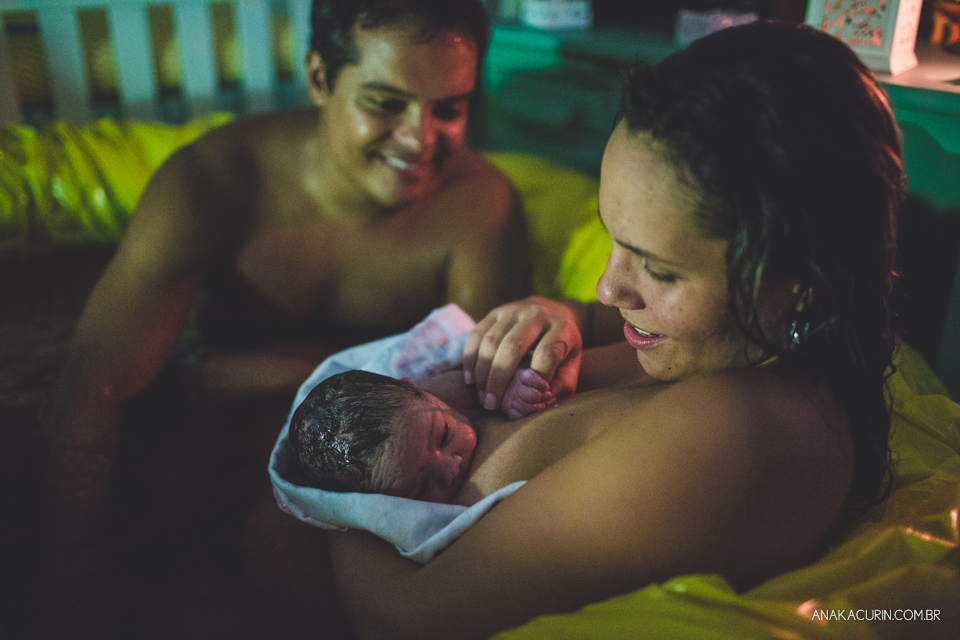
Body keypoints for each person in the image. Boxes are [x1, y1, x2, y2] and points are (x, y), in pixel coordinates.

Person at [313, 21, 903, 639]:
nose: (609, 288)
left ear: (803, 279)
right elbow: (597, 312)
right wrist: (562, 313)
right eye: (615, 241)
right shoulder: (722, 350)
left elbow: (409, 620)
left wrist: (330, 490)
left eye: (658, 269)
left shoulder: (740, 430)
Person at [38, 0, 529, 634]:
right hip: (216, 441)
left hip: (378, 471)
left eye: (450, 110)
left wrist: (273, 372)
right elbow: (90, 390)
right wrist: (73, 567)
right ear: (321, 78)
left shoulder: (479, 214)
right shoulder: (212, 186)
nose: (419, 139)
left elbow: (484, 411)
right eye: (385, 103)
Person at [289, 367, 550, 503]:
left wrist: (511, 390)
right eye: (422, 488)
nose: (450, 467)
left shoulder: (438, 392)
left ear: (415, 387)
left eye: (444, 435)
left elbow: (486, 384)